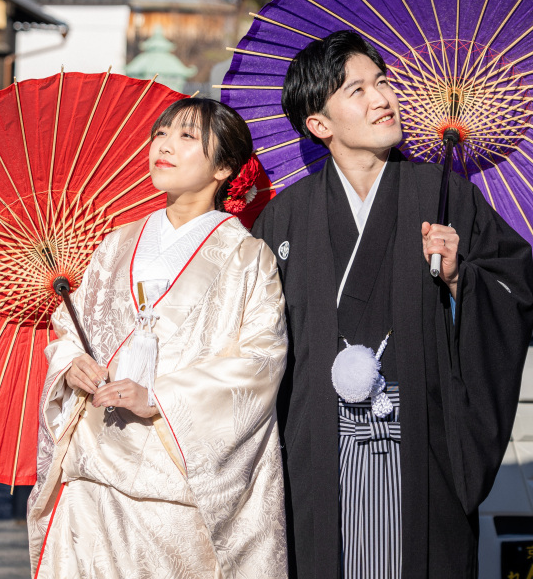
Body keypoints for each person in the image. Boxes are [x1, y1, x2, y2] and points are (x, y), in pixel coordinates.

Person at [252, 29, 533, 579]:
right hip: (316, 445)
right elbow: (252, 345)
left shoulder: (443, 193)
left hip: (422, 439)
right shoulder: (284, 219)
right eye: (357, 90)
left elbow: (515, 286)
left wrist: (460, 279)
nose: (382, 98)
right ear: (320, 124)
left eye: (382, 82)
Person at [28, 96, 288, 579]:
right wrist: (71, 362)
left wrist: (159, 398)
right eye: (161, 134)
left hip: (175, 486)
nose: (163, 147)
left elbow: (260, 362)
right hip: (93, 474)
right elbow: (70, 328)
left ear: (224, 167)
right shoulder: (116, 243)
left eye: (186, 137)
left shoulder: (248, 257)